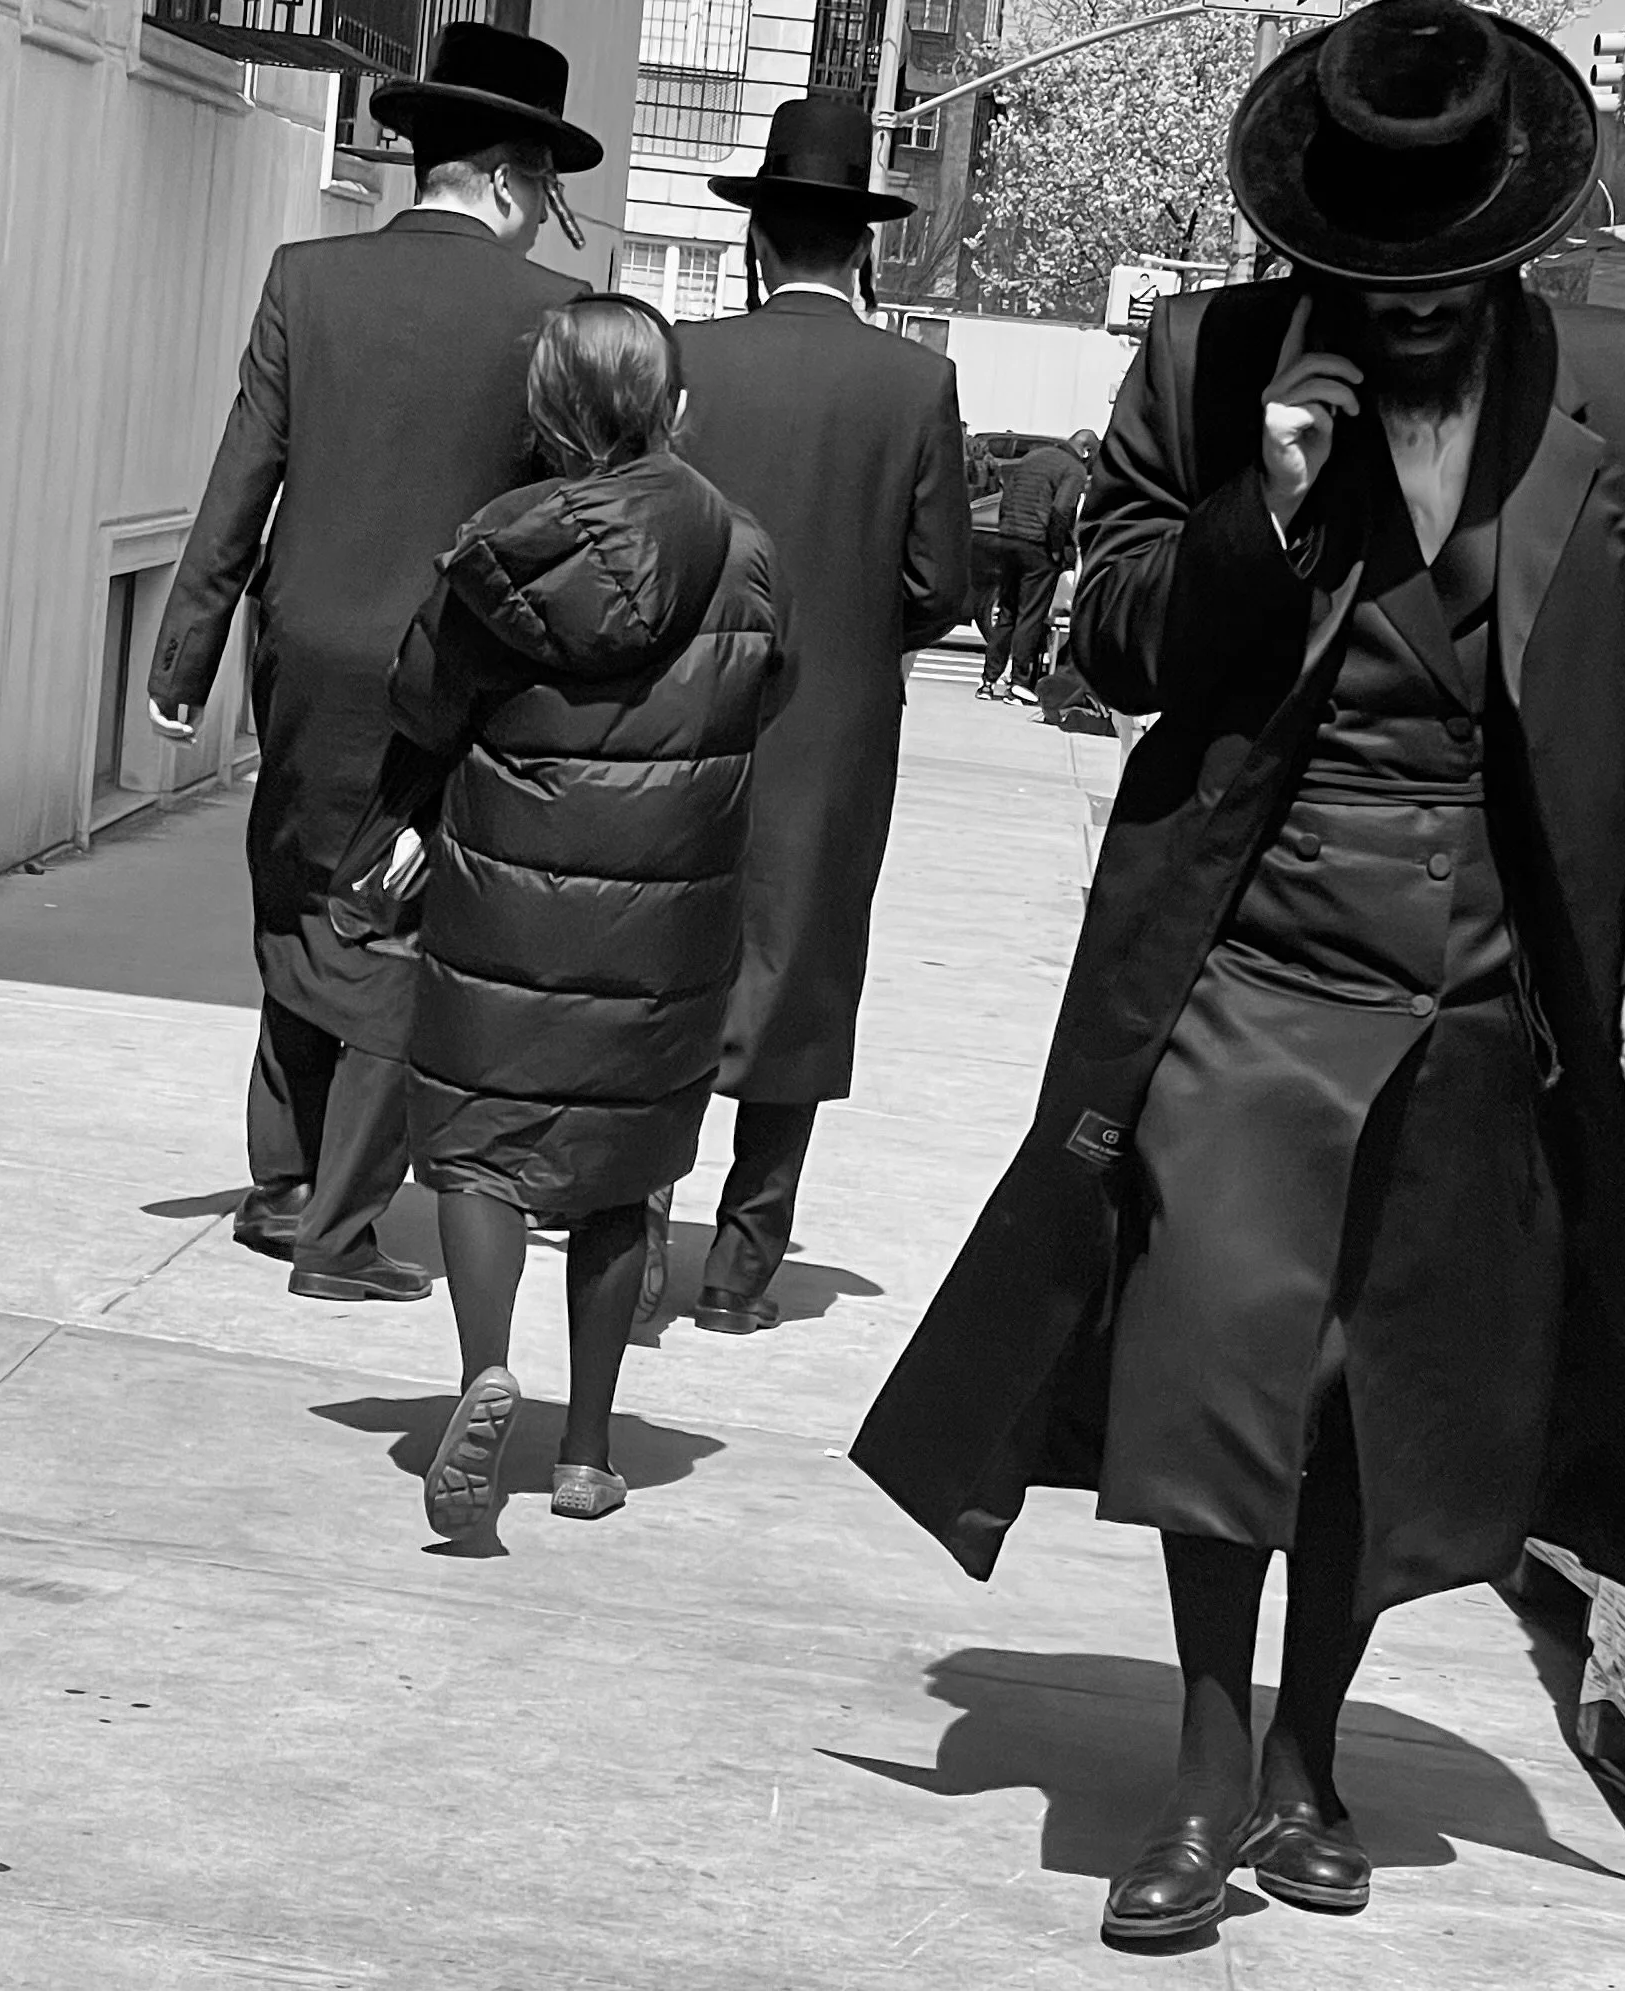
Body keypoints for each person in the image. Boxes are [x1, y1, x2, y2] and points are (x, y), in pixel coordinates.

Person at [852, 0, 1625, 1942]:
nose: (1403, 312)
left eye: (1439, 282)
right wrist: (1257, 507)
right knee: (1217, 1368)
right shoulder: (1208, 356)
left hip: (1488, 985)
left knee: (1381, 1391)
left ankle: (1313, 1754)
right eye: (1368, 279)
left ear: (1506, 249)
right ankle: (1199, 1770)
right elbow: (1100, 625)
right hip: (1247, 961)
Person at [145, 25, 598, 1303]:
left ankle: (279, 1178)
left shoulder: (306, 278)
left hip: (298, 648)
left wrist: (182, 651)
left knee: (294, 883)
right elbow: (561, 528)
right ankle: (337, 1229)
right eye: (547, 198)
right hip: (443, 672)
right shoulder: (556, 321)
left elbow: (245, 473)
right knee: (405, 926)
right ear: (512, 181)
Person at [361, 296, 789, 1539]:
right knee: (624, 1166)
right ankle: (590, 1451)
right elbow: (775, 683)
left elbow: (419, 697)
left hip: (507, 883)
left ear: (546, 408)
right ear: (670, 408)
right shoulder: (745, 546)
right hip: (668, 902)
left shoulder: (504, 545)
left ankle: (484, 1369)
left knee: (484, 1141)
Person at [666, 98, 971, 1333]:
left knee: (661, 961)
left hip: (679, 714)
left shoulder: (687, 358)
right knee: (799, 972)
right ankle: (741, 1266)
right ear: (865, 250)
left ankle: (627, 1245)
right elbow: (939, 582)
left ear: (754, 243)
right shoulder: (915, 384)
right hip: (835, 727)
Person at [977, 429, 1098, 703]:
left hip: (1008, 538)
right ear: (1087, 451)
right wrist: (1058, 549)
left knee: (1007, 610)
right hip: (1038, 545)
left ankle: (988, 680)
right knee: (1030, 614)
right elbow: (1061, 510)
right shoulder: (1073, 470)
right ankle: (1018, 683)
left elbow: (1007, 496)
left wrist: (1007, 530)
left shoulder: (1032, 457)